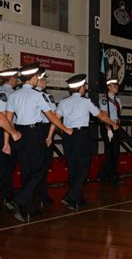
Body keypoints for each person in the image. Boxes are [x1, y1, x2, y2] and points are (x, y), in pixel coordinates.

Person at [4, 63, 71, 222]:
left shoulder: (13, 95)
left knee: (27, 171)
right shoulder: (37, 95)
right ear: (33, 78)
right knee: (41, 168)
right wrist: (65, 129)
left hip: (19, 134)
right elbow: (51, 117)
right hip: (34, 134)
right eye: (37, 77)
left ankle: (28, 209)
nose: (37, 79)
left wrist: (7, 141)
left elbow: (8, 120)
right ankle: (20, 198)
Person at [47, 74, 118, 211]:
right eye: (84, 86)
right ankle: (71, 195)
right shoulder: (86, 102)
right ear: (80, 88)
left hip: (67, 136)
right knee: (84, 166)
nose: (85, 88)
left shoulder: (63, 102)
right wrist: (112, 123)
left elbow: (55, 120)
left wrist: (50, 136)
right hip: (81, 135)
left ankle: (77, 199)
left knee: (73, 167)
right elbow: (101, 115)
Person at [0, 67, 22, 209]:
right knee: (8, 166)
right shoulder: (12, 94)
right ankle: (8, 197)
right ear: (12, 79)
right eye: (16, 78)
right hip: (7, 130)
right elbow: (3, 116)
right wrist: (12, 133)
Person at [35, 68, 57, 205]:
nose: (45, 82)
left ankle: (40, 193)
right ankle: (41, 194)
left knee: (40, 163)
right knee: (42, 163)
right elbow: (53, 116)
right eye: (43, 79)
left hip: (33, 130)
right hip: (43, 129)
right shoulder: (45, 97)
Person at [97, 78, 123, 184]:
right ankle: (111, 176)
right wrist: (108, 129)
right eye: (114, 85)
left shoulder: (118, 100)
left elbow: (118, 114)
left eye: (117, 85)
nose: (116, 87)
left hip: (116, 126)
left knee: (115, 152)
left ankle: (105, 174)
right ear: (108, 87)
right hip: (108, 126)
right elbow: (104, 115)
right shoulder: (104, 99)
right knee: (111, 151)